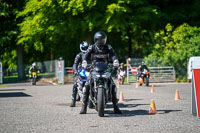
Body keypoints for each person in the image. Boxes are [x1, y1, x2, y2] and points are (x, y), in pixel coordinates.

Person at [80, 31, 122, 114]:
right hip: (94, 68)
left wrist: (115, 61)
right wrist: (85, 62)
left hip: (105, 68)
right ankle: (83, 108)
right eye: (99, 40)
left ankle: (116, 107)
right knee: (87, 85)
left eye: (102, 40)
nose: (100, 42)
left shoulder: (108, 47)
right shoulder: (91, 47)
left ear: (105, 40)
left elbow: (113, 55)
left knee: (113, 86)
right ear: (95, 40)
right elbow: (86, 55)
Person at [70, 41, 89, 107]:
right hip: (82, 71)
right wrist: (75, 71)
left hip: (90, 71)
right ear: (81, 48)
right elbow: (75, 64)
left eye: (86, 47)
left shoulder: (91, 54)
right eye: (84, 48)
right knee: (75, 85)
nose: (85, 49)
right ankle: (73, 101)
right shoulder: (79, 55)